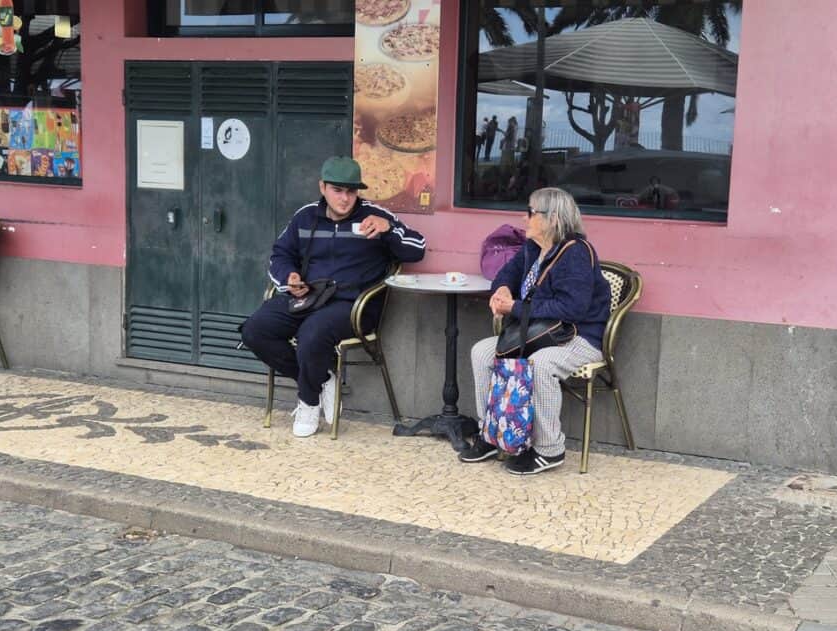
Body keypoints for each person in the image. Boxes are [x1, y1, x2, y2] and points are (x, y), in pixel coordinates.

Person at [241, 156, 426, 437]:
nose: (345, 198)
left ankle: (308, 401)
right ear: (322, 187)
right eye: (337, 190)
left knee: (311, 334)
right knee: (255, 330)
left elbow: (418, 248)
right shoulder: (305, 216)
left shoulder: (374, 216)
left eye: (351, 191)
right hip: (308, 297)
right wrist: (289, 278)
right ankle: (322, 378)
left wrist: (390, 231)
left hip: (353, 306)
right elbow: (280, 255)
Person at [460, 187, 611, 475]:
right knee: (481, 352)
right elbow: (506, 274)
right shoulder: (534, 247)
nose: (524, 217)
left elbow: (572, 308)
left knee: (540, 365)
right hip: (537, 333)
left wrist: (514, 307)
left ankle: (549, 450)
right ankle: (491, 434)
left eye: (531, 212)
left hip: (576, 337)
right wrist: (502, 289)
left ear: (552, 218)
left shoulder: (577, 252)